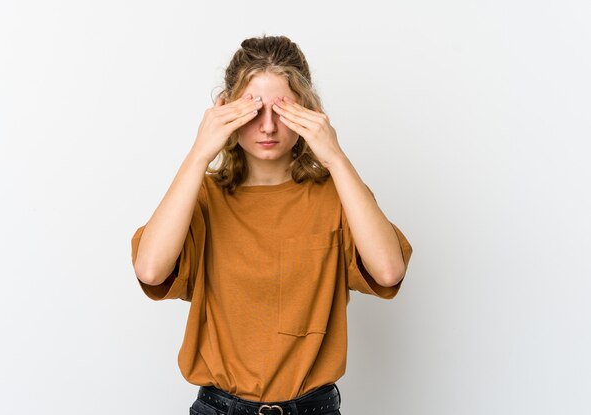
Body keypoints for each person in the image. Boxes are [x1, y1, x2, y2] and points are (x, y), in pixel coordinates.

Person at [130, 34, 413, 415]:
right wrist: (199, 153)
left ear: (308, 111)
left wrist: (336, 158)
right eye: (253, 110)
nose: (267, 127)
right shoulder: (203, 198)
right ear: (227, 110)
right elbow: (150, 269)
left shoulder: (337, 195)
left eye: (282, 110)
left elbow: (389, 270)